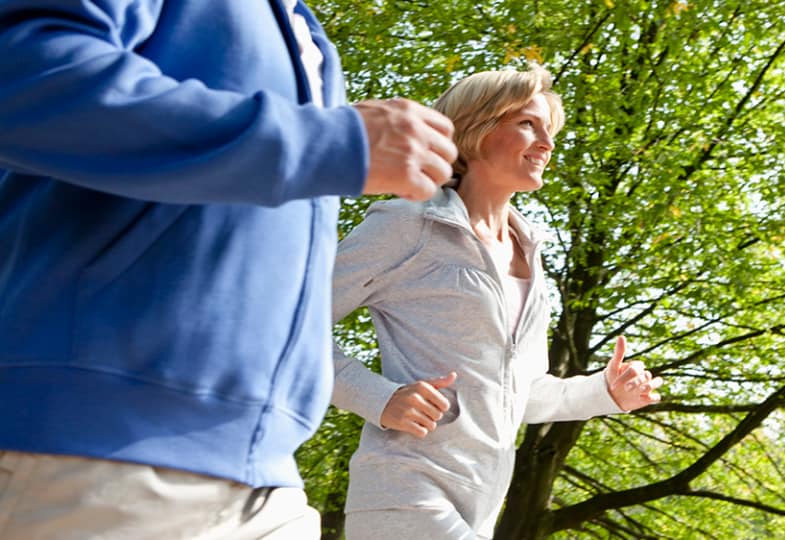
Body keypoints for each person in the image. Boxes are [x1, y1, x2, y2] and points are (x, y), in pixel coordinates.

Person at [0, 1, 456, 538]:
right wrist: (327, 142)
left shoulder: (303, 32)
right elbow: (23, 72)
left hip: (267, 479)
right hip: (94, 452)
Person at [330, 66, 665, 539]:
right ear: (474, 130)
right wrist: (378, 398)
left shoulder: (528, 251)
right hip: (404, 494)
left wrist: (604, 392)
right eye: (529, 124)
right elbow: (282, 325)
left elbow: (520, 394)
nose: (547, 143)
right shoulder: (408, 225)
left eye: (550, 129)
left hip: (482, 505)